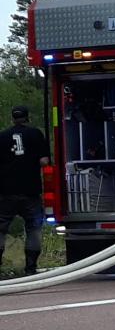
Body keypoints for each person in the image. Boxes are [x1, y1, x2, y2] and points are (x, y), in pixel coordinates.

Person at [1, 106, 50, 276]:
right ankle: (30, 268)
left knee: (1, 229)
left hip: (6, 191)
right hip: (30, 191)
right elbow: (44, 161)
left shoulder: (2, 136)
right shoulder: (35, 134)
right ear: (27, 118)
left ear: (12, 118)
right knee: (33, 228)